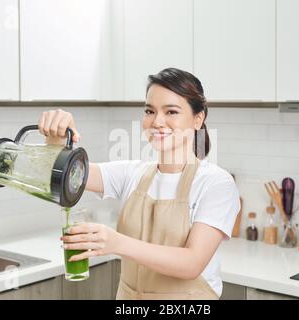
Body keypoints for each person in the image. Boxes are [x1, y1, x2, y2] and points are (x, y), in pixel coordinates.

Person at [38, 68, 240, 299]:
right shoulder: (133, 174)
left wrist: (116, 243)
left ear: (198, 118)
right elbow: (64, 175)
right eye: (149, 111)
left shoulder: (215, 183)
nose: (157, 122)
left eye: (171, 111)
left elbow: (191, 263)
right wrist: (57, 137)